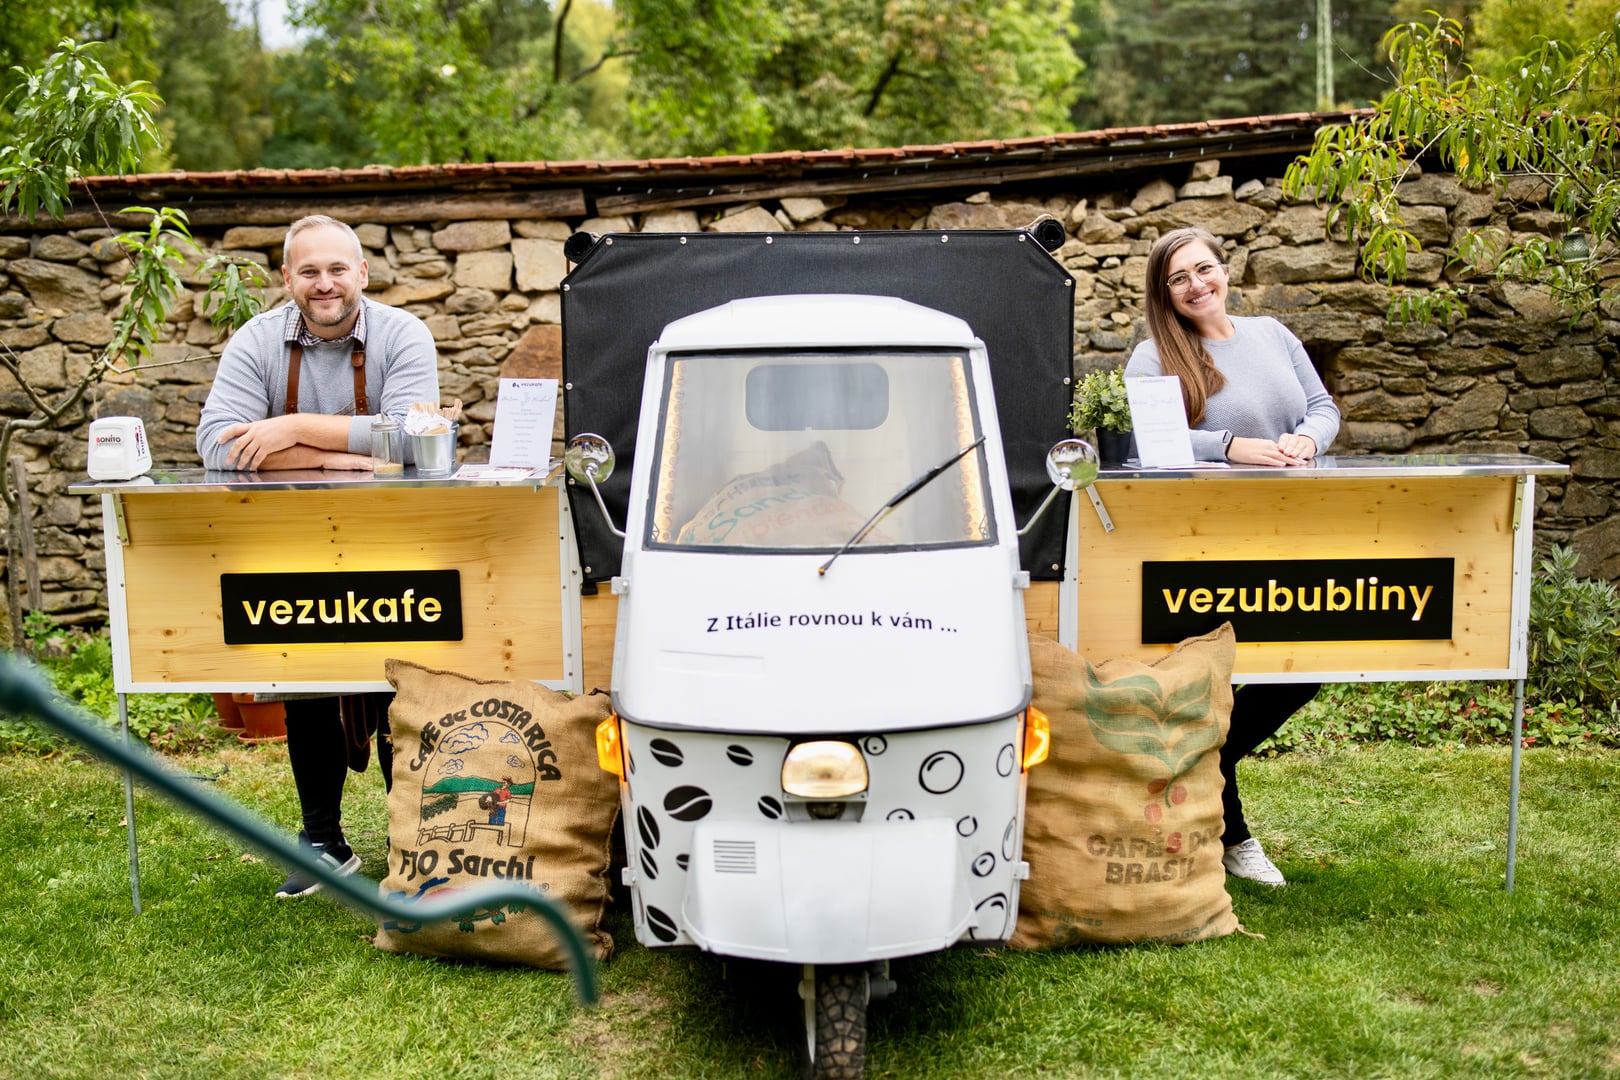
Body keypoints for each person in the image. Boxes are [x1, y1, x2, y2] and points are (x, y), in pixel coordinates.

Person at [197, 214, 440, 898]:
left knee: (399, 678)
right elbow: (217, 445)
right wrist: (348, 458)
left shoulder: (404, 335)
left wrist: (291, 429)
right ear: (287, 279)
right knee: (301, 673)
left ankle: (408, 841)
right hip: (295, 541)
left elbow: (419, 444)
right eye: (309, 271)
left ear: (362, 272)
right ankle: (323, 842)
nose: (324, 283)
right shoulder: (256, 341)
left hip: (396, 540)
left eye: (337, 269)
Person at [1124, 226, 1341, 887]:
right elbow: (1148, 436)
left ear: (1225, 270)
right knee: (1211, 677)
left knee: (1309, 661)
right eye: (1179, 277)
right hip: (1204, 535)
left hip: (1291, 529)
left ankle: (1200, 764)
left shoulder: (1273, 335)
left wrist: (1305, 441)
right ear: (1165, 292)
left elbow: (1323, 408)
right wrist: (1230, 446)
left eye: (1204, 269)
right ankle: (1236, 839)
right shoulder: (1152, 357)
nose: (1197, 284)